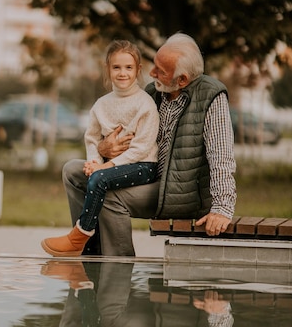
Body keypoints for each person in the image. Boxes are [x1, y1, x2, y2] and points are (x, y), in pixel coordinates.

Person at [62, 32, 237, 256]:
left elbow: (221, 156)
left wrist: (222, 209)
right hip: (145, 172)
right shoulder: (154, 92)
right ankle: (90, 250)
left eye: (160, 71)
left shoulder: (211, 97)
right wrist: (104, 149)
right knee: (72, 171)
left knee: (109, 194)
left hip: (182, 191)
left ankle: (119, 273)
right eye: (154, 65)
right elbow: (128, 143)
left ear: (182, 79)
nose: (151, 73)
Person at [41, 39, 159, 257]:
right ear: (108, 69)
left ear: (138, 70)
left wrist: (106, 166)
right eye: (116, 67)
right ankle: (90, 250)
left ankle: (79, 236)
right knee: (88, 173)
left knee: (100, 179)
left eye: (128, 67)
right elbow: (92, 137)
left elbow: (141, 149)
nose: (122, 73)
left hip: (143, 166)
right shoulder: (101, 105)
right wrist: (95, 161)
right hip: (112, 166)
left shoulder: (145, 104)